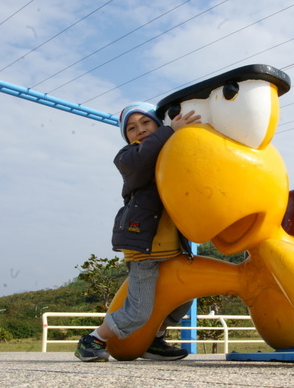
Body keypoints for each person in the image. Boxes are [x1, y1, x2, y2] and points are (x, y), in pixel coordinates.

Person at [75, 102, 201, 362]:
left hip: (171, 246)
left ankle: (155, 338)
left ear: (156, 123)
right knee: (139, 311)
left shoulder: (170, 151)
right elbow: (143, 157)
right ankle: (93, 339)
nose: (140, 130)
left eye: (146, 123)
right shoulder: (128, 157)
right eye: (132, 128)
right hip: (143, 245)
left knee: (185, 294)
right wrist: (169, 130)